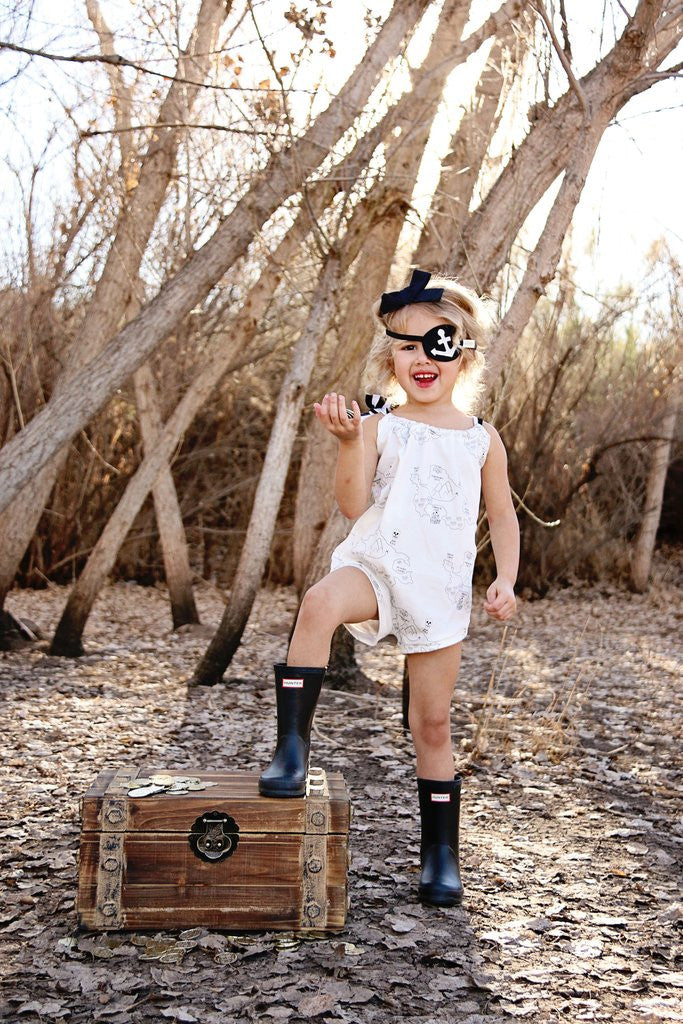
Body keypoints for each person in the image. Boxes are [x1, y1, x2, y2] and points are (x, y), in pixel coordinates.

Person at [259, 269, 519, 907]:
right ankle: (292, 746)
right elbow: (352, 504)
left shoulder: (483, 439)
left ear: (463, 355)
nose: (420, 356)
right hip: (377, 567)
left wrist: (506, 579)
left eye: (436, 341)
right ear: (390, 358)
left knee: (431, 725)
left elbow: (504, 515)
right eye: (405, 345)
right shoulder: (380, 425)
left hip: (441, 591)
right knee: (319, 602)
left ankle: (440, 855)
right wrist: (350, 442)